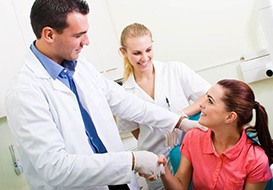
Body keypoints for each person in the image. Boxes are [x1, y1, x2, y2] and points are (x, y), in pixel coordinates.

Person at [5, 1, 205, 190]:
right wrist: (133, 160)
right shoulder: (24, 92)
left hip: (119, 182)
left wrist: (179, 121)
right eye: (78, 35)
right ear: (49, 34)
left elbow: (128, 103)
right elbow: (55, 167)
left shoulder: (81, 67)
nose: (87, 41)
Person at [116, 23, 211, 190]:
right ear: (123, 53)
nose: (144, 57)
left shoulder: (175, 70)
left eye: (148, 50)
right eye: (137, 53)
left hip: (190, 154)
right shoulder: (124, 93)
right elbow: (136, 131)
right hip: (155, 163)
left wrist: (179, 118)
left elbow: (208, 96)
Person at [158, 79, 273, 190]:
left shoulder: (256, 159)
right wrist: (164, 172)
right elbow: (180, 187)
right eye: (206, 98)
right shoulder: (193, 137)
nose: (201, 104)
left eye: (210, 101)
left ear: (229, 117)